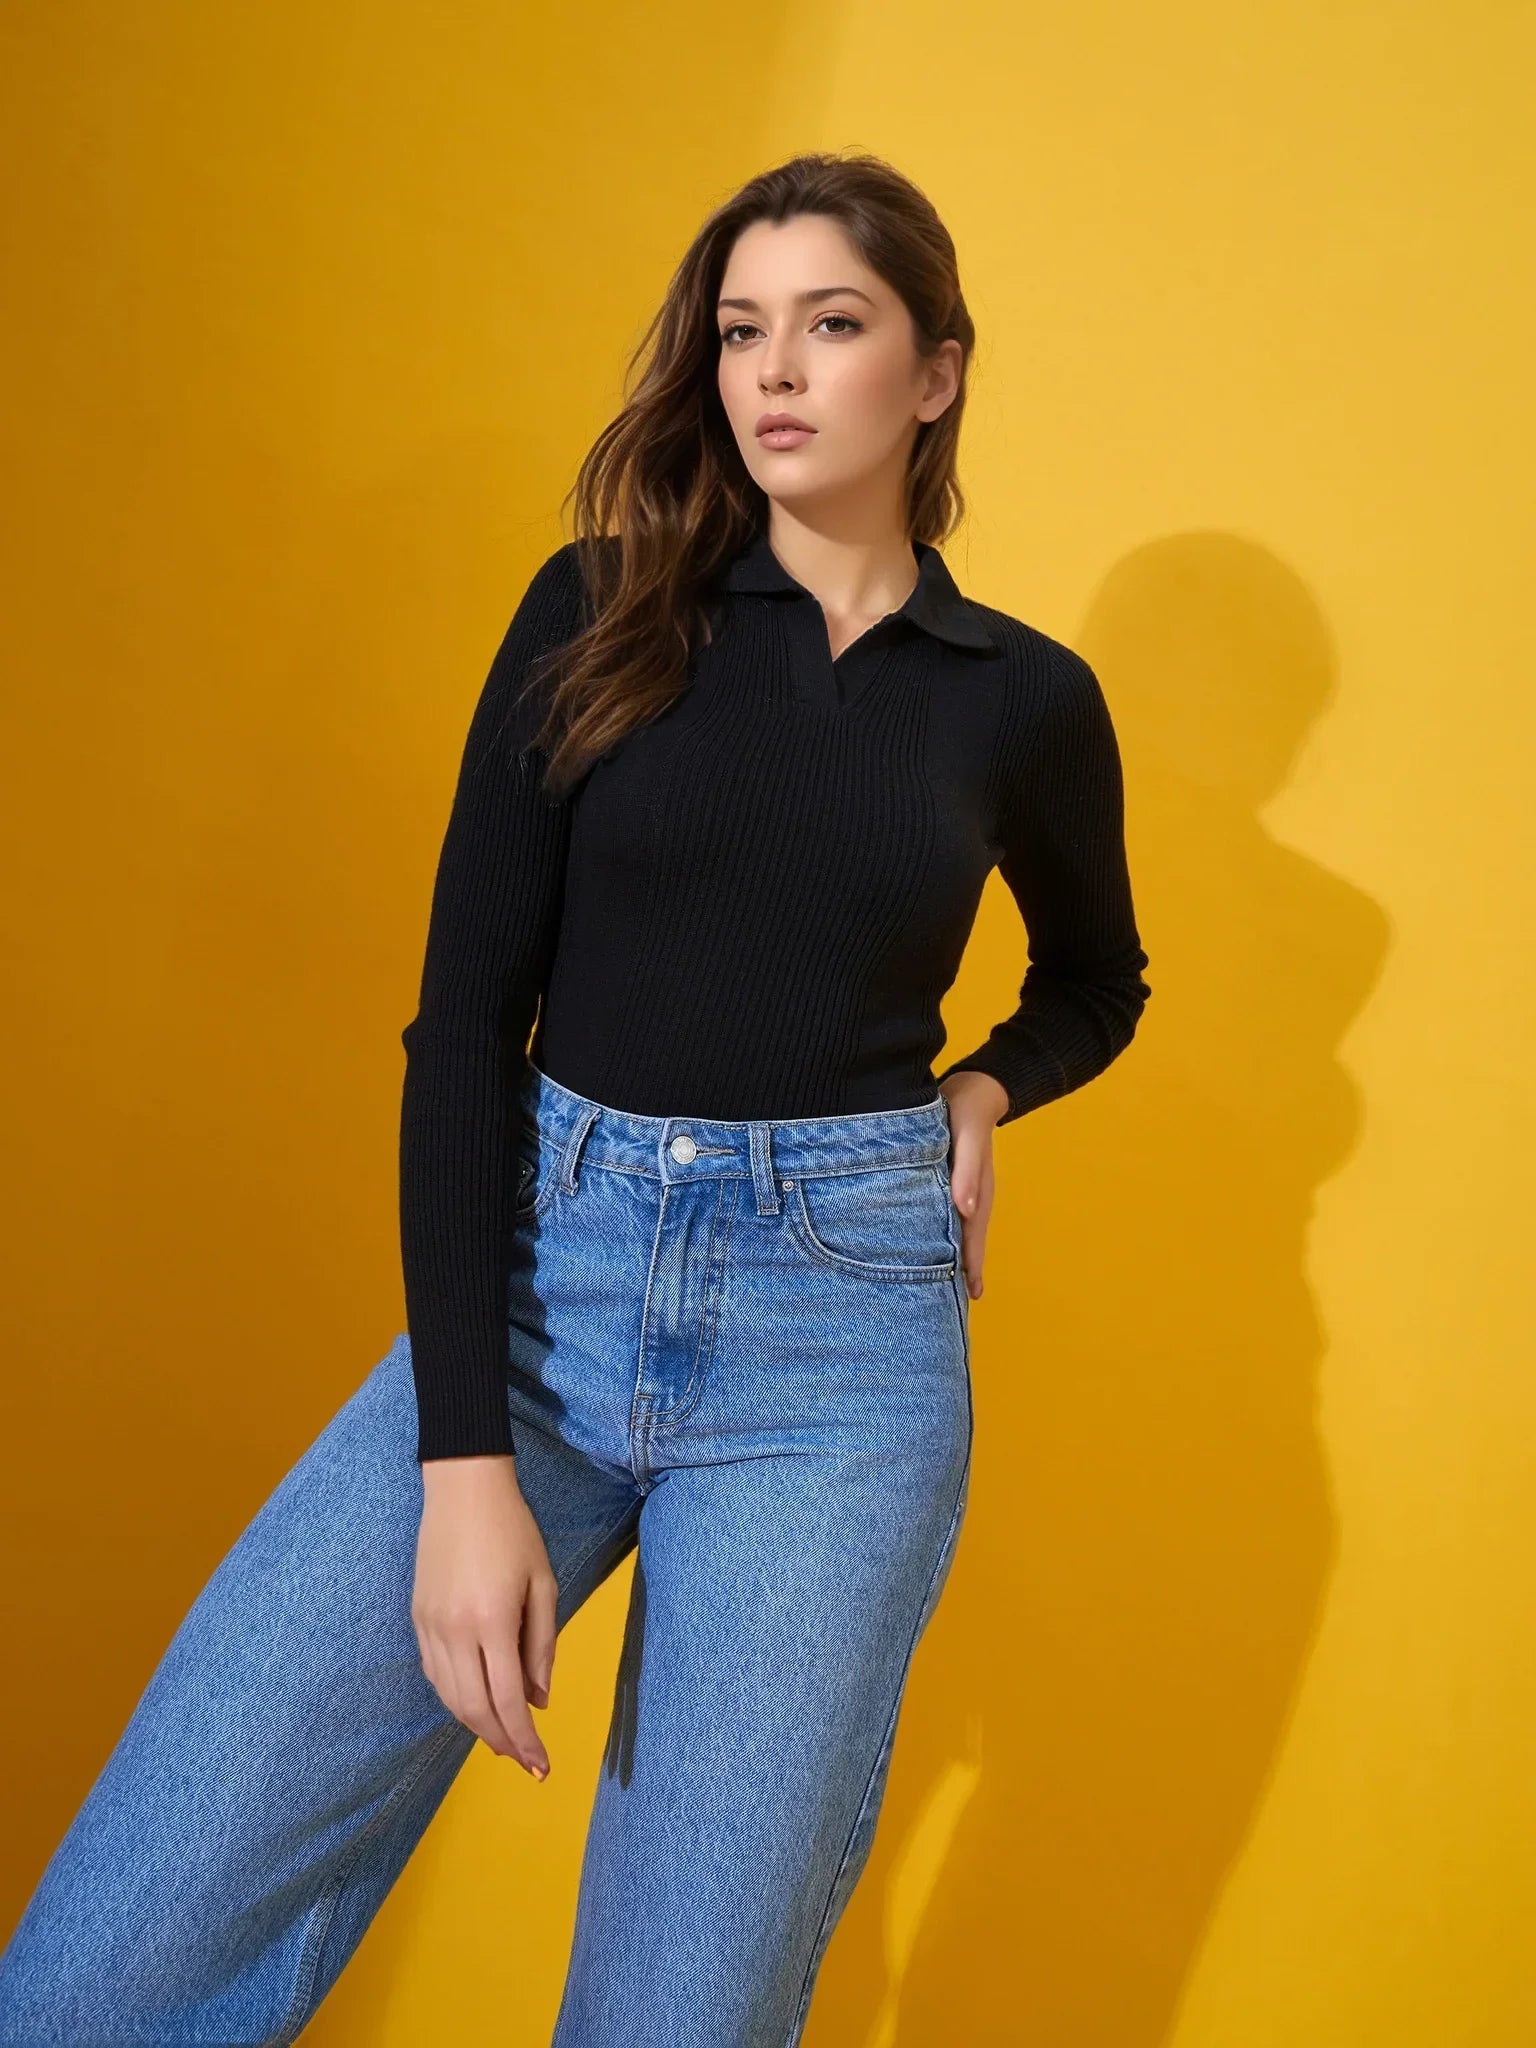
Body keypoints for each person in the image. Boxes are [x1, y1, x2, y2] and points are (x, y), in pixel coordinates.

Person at [0, 150, 1151, 2046]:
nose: (774, 374)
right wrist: (465, 1460)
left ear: (935, 373)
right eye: (742, 334)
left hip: (839, 1360)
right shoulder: (604, 608)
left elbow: (1097, 984)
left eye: (832, 328)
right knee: (144, 1928)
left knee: (681, 2016)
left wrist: (985, 1089)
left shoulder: (1020, 699)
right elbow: (463, 1033)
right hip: (544, 1290)